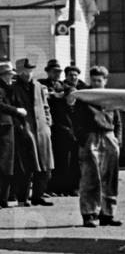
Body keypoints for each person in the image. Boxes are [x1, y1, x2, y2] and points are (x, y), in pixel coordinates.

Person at [69, 66, 122, 227]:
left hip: (108, 135)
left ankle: (107, 213)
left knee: (110, 178)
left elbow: (118, 120)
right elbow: (75, 120)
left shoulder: (111, 98)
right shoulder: (85, 97)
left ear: (105, 81)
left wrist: (117, 140)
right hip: (90, 136)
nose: (96, 83)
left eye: (99, 80)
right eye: (93, 80)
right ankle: (89, 214)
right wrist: (83, 139)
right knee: (90, 177)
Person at [12, 58, 54, 206]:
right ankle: (23, 198)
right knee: (26, 167)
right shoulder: (14, 88)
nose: (29, 73)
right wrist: (20, 127)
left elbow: (46, 106)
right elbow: (12, 110)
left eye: (30, 70)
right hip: (25, 130)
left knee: (45, 165)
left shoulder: (39, 86)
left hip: (42, 130)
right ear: (19, 71)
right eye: (26, 70)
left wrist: (48, 124)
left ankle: (38, 196)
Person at [0, 61, 38, 206]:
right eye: (9, 75)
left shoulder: (8, 88)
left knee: (10, 165)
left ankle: (7, 198)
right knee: (5, 165)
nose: (11, 77)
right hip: (4, 129)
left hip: (11, 129)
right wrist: (16, 110)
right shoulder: (3, 88)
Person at [40, 60, 79, 196]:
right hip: (50, 126)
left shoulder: (62, 86)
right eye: (54, 72)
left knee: (65, 161)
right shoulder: (41, 84)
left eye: (58, 72)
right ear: (48, 72)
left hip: (62, 127)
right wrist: (54, 95)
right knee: (52, 160)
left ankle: (64, 188)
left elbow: (70, 94)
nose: (56, 74)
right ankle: (50, 187)